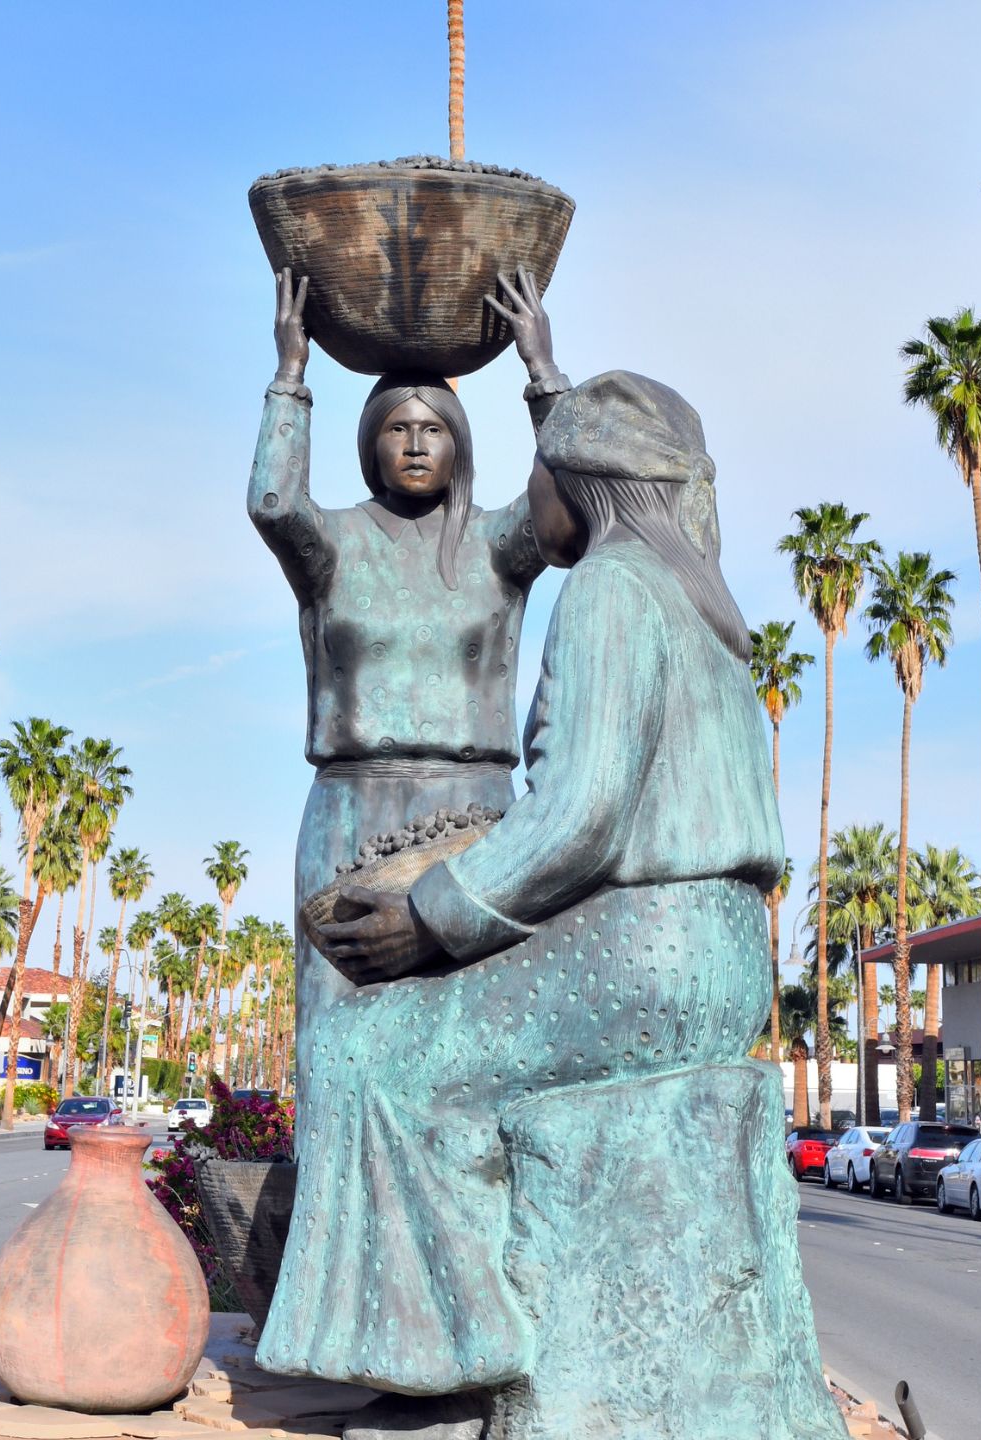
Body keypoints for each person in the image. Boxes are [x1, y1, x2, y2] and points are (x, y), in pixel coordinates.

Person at [256, 370, 785, 1412]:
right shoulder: (698, 602)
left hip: (646, 956)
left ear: (577, 480)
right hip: (724, 959)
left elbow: (579, 816)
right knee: (406, 1046)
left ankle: (441, 1372)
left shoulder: (610, 592)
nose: (523, 490)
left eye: (541, 462)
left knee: (363, 1049)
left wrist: (429, 916)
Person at [247, 268, 570, 1097]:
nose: (417, 442)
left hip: (477, 816)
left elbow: (581, 502)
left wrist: (543, 374)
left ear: (461, 441)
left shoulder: (498, 546)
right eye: (398, 428)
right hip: (353, 806)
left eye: (434, 427)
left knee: (480, 1057)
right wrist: (292, 377)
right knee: (338, 1054)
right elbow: (275, 504)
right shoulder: (333, 548)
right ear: (372, 444)